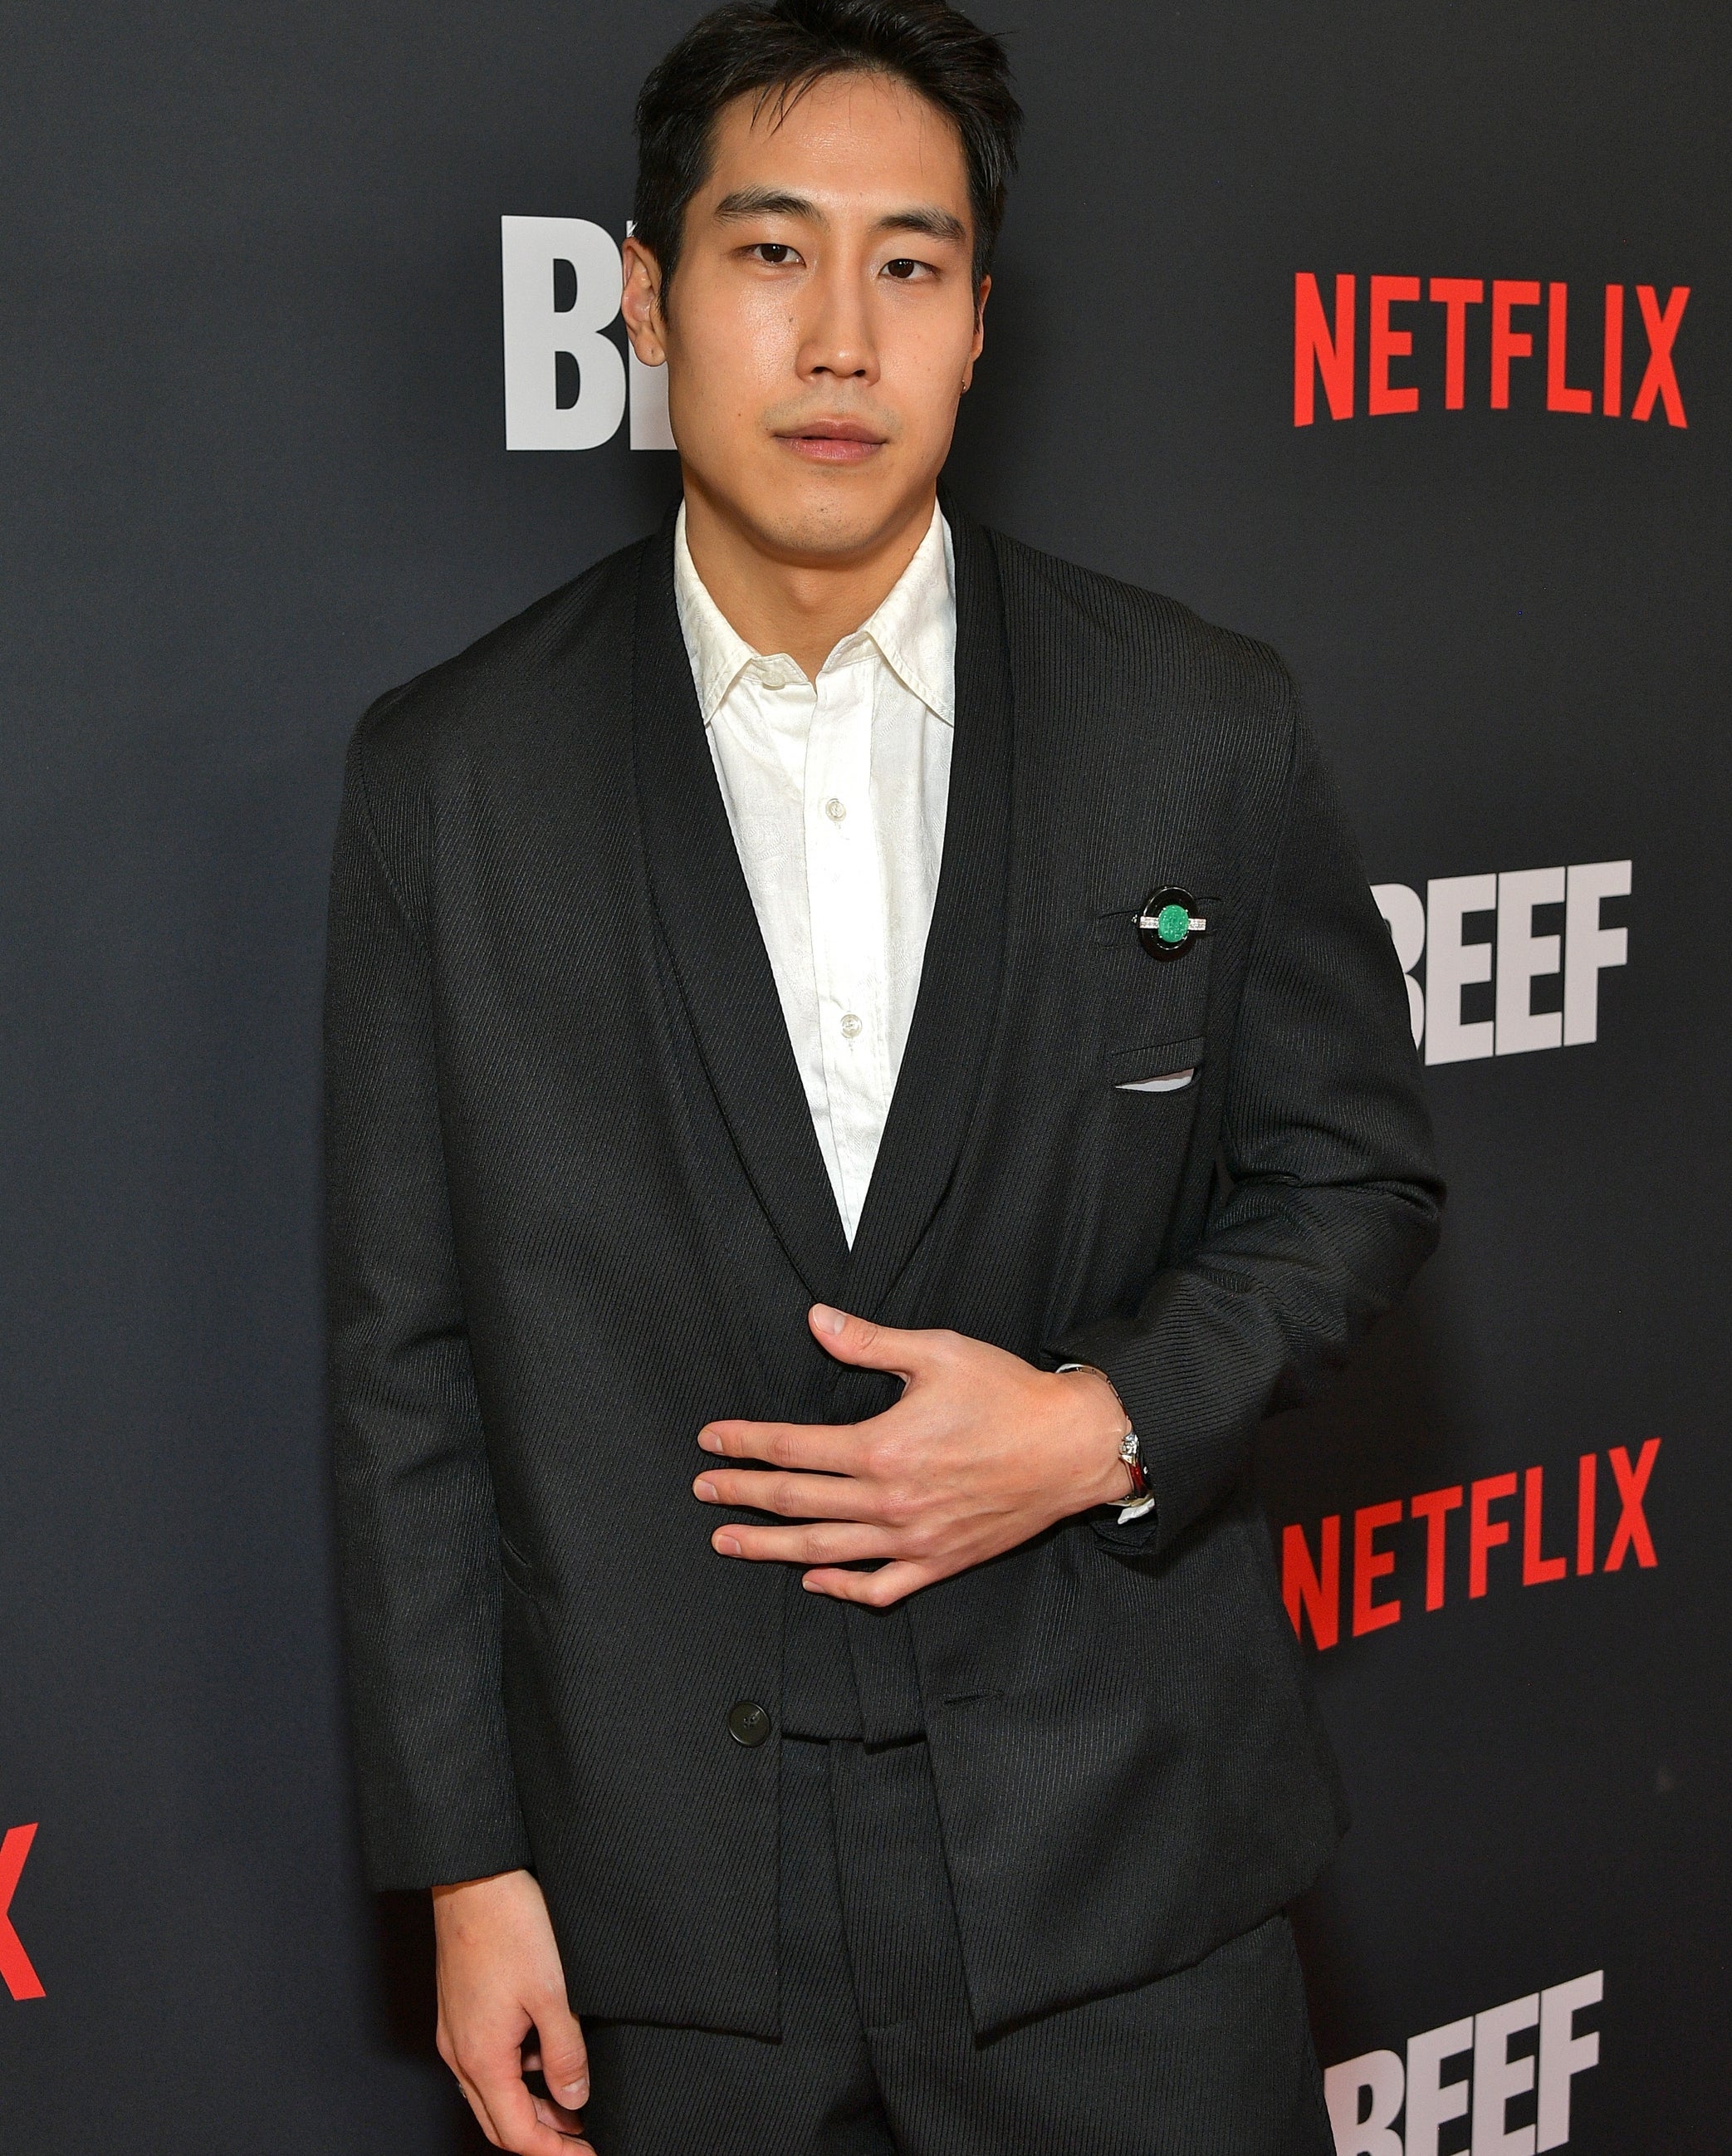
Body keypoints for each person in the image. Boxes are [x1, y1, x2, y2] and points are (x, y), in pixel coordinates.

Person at [323, 2, 1442, 2149]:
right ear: (644, 296)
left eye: (909, 264)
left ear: (977, 322)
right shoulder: (449, 782)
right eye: (770, 253)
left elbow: (1356, 1184)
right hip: (669, 1921)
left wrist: (1099, 1423)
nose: (841, 334)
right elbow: (408, 1363)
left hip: (1133, 1874)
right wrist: (471, 1866)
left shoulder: (1196, 726)